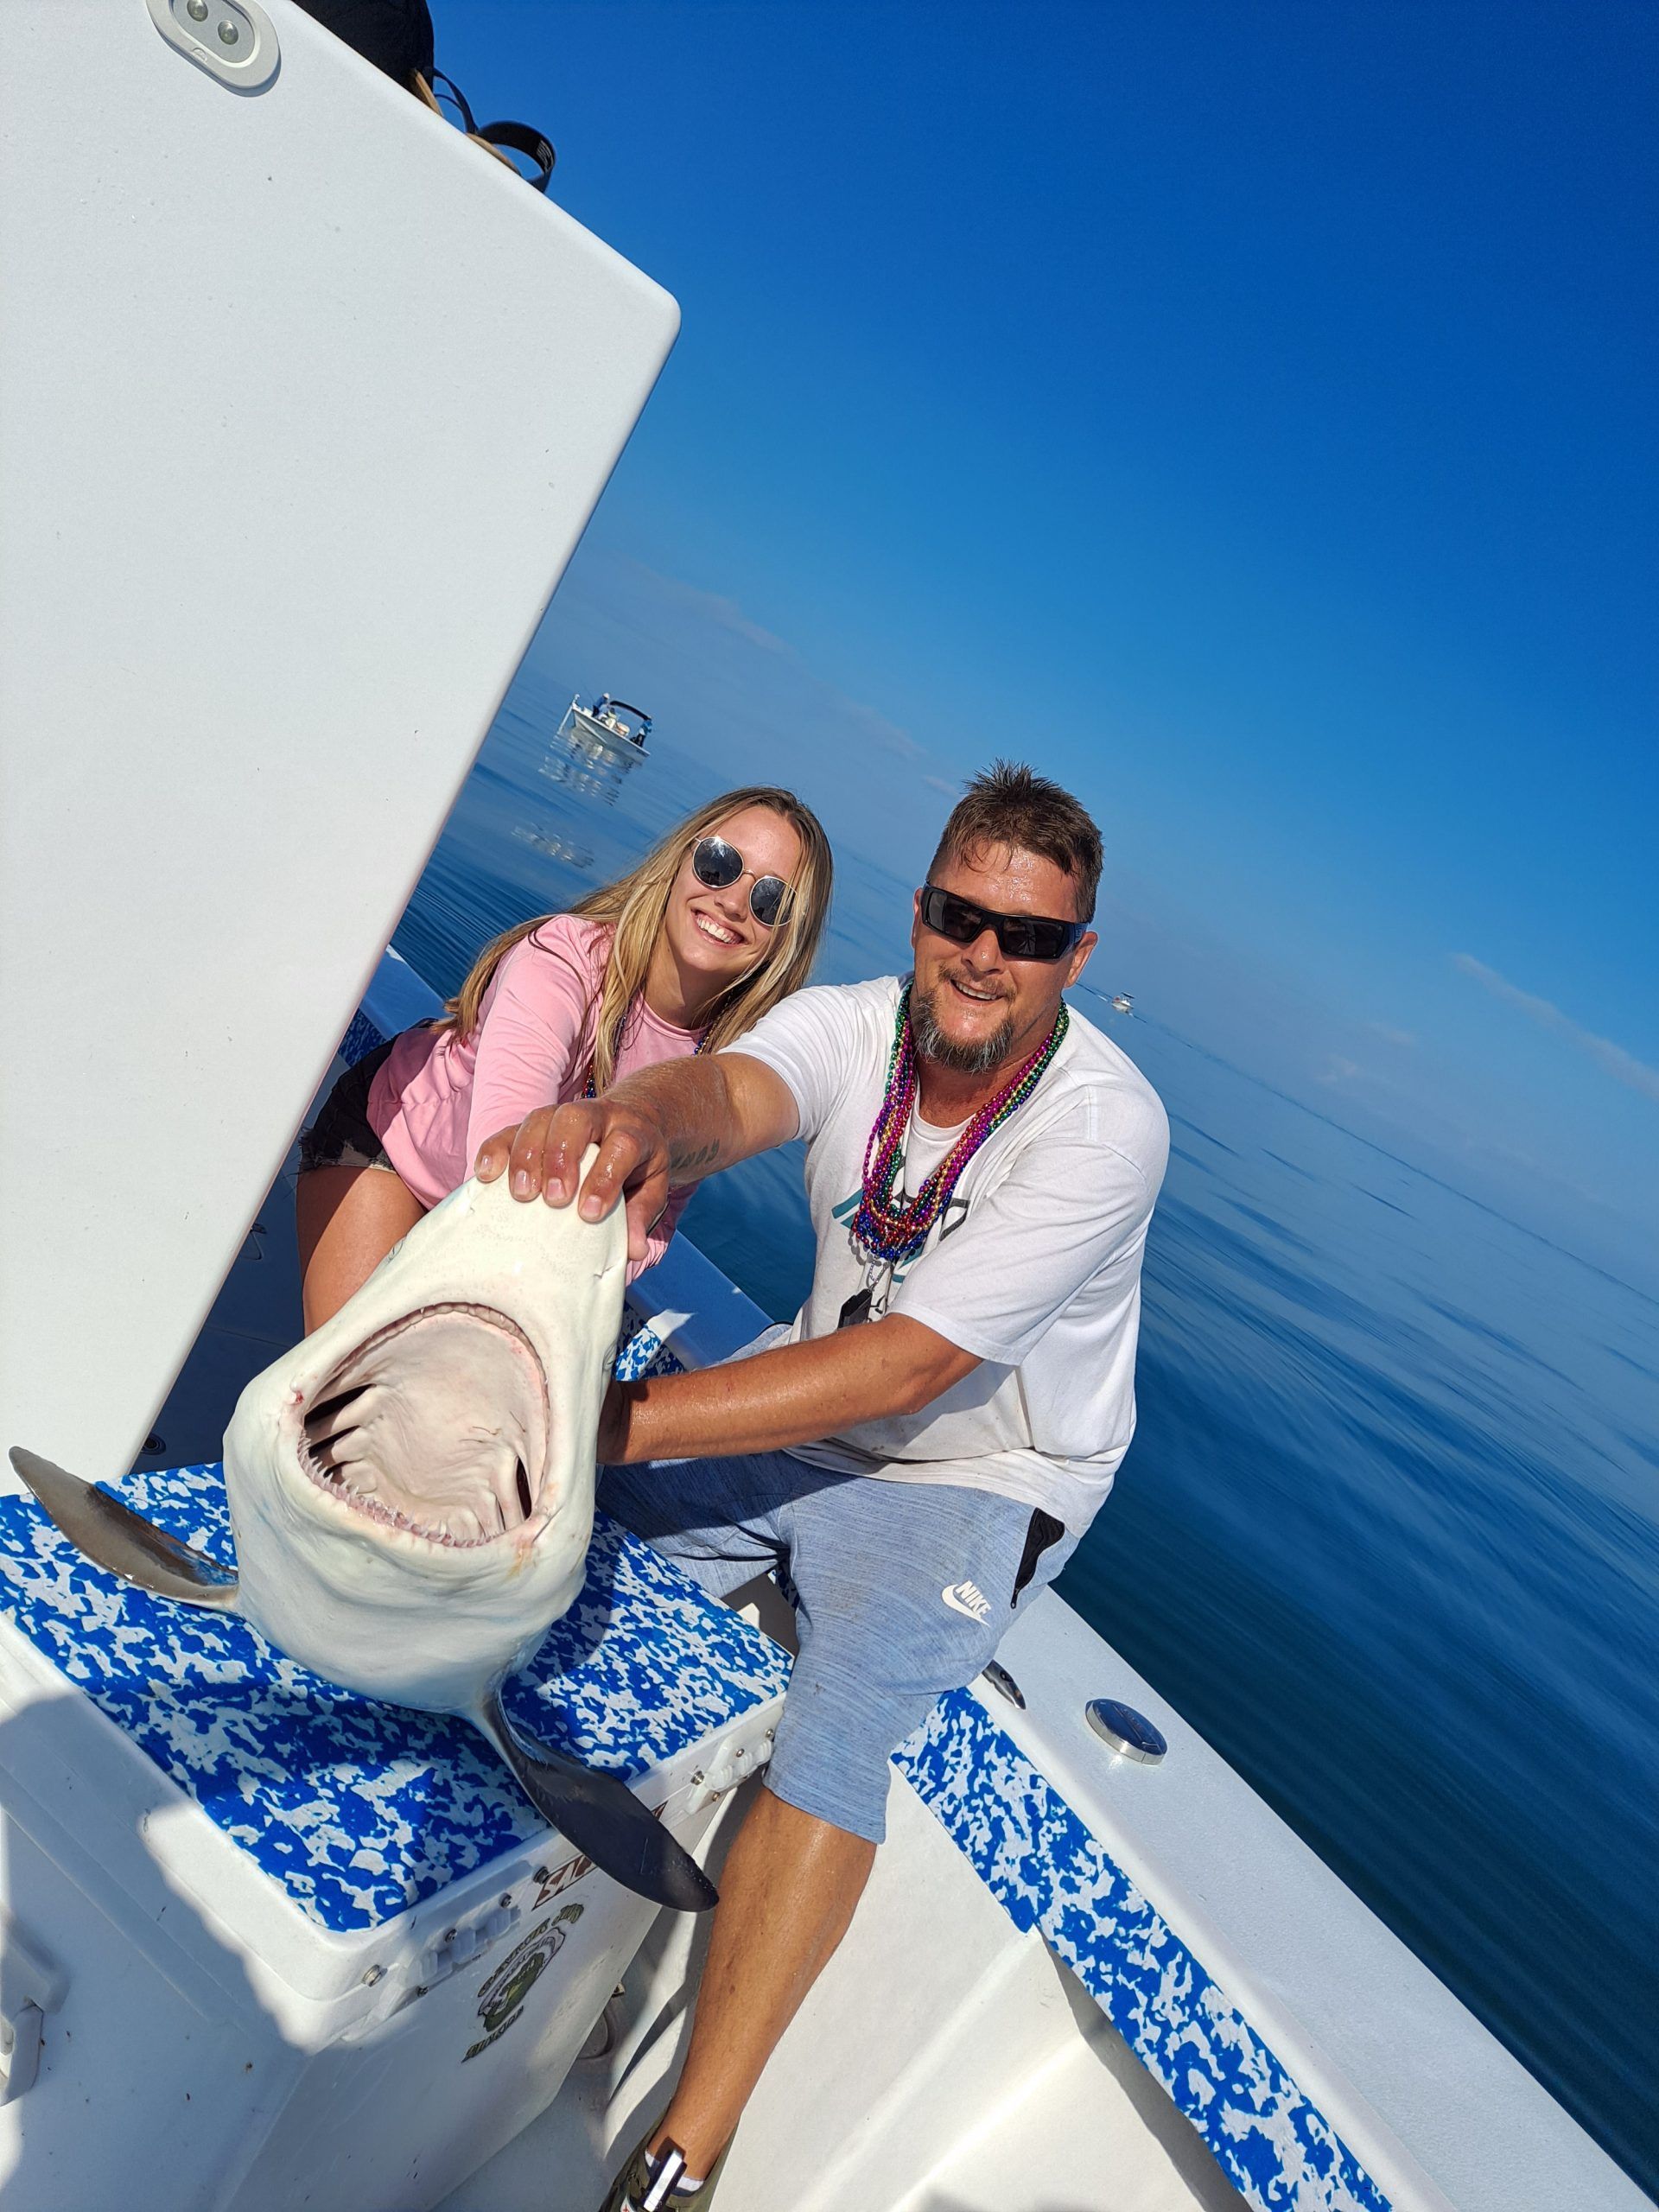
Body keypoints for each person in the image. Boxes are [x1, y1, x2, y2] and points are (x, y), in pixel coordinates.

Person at [475, 760, 1169, 2212]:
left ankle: (682, 2157)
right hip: (811, 1402)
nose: (987, 955)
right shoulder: (858, 1024)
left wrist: (616, 1420)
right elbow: (733, 1087)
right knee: (530, 1517)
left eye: (1029, 936)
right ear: (920, 911)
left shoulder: (1107, 1125)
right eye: (962, 916)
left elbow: (914, 1370)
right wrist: (635, 1125)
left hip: (984, 1467)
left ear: (1076, 957)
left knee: (839, 1731)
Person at [295, 787, 833, 1332]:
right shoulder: (561, 960)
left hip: (515, 1230)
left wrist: (603, 1259)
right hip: (398, 1154)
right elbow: (501, 1164)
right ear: (681, 861)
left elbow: (657, 1217)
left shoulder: (720, 1065)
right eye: (719, 864)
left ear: (786, 937)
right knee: (347, 1396)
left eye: (771, 902)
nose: (734, 904)